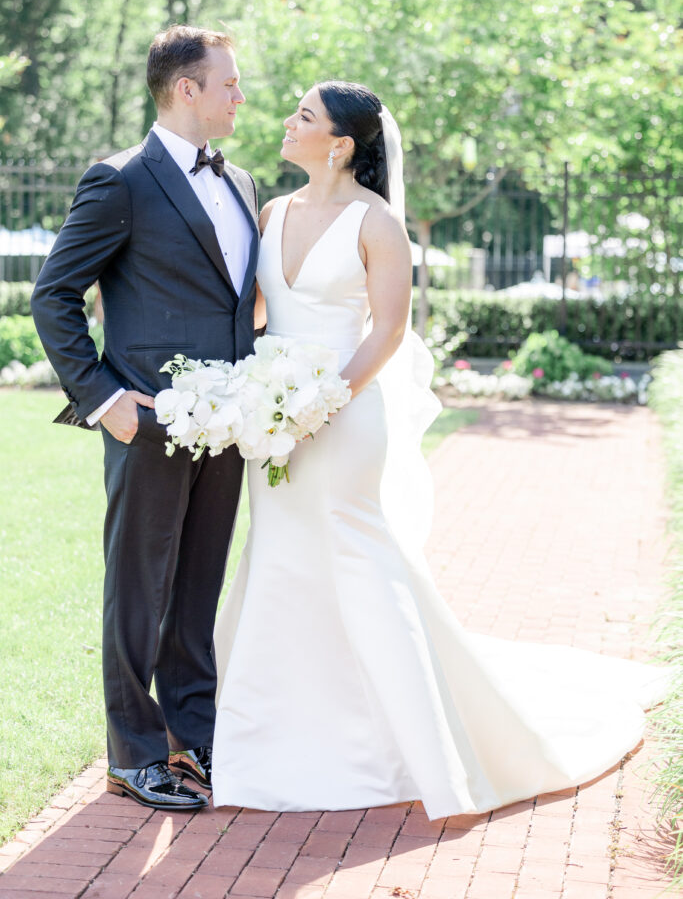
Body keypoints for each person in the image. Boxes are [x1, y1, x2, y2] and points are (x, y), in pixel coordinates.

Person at [211, 81, 666, 818]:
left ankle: (419, 744)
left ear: (340, 145)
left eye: (302, 116)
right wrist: (251, 390)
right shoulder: (272, 210)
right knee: (279, 551)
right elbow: (261, 312)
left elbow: (386, 331)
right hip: (273, 412)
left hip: (343, 411)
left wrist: (319, 402)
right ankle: (271, 730)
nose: (285, 124)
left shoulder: (377, 222)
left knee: (359, 553)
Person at [31, 25, 259, 812]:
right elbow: (53, 294)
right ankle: (133, 752)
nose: (239, 94)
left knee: (197, 589)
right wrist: (101, 399)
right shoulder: (120, 180)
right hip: (147, 420)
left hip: (229, 424)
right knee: (138, 590)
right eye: (227, 82)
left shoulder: (243, 183)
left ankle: (195, 739)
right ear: (185, 88)